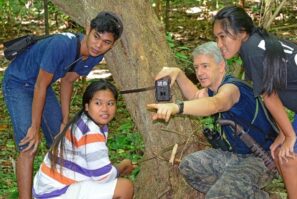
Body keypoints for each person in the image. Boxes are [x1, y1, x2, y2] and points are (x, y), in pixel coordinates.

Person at [2, 11, 123, 199]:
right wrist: (34, 127)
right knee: (29, 143)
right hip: (18, 82)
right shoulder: (62, 44)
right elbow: (40, 85)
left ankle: (58, 190)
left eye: (106, 42)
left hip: (42, 86)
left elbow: (67, 81)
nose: (98, 45)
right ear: (88, 30)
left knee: (60, 139)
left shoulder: (94, 56)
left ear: (112, 44)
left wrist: (64, 120)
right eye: (96, 37)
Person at [147, 42, 278, 198]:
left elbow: (215, 105)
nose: (199, 72)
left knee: (217, 196)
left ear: (221, 66)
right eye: (196, 68)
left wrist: (177, 107)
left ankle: (230, 191)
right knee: (189, 166)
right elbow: (195, 97)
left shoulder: (232, 89)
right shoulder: (212, 90)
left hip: (260, 159)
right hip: (233, 156)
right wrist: (179, 74)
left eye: (205, 66)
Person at [213, 5, 297, 199]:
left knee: (289, 160)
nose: (219, 43)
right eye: (216, 37)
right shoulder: (255, 44)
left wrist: (290, 136)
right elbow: (274, 91)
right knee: (279, 152)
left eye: (222, 36)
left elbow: (270, 96)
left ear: (241, 32)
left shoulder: (253, 50)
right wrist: (284, 135)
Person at [33, 79, 135, 199]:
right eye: (98, 103)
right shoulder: (90, 132)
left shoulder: (84, 121)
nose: (105, 109)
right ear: (87, 106)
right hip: (55, 193)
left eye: (110, 103)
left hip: (46, 189)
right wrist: (122, 166)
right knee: (124, 187)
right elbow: (103, 177)